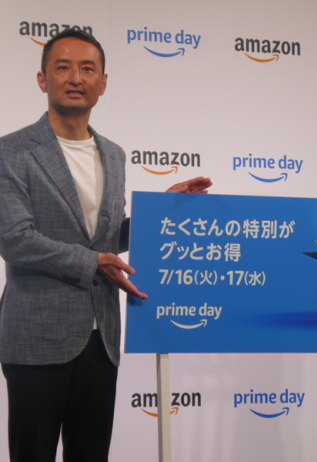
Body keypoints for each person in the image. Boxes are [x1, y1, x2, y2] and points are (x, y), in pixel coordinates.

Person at [0, 29, 212, 461]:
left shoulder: (113, 154)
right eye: (63, 67)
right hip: (36, 337)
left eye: (87, 68)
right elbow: (14, 239)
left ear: (103, 82)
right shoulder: (12, 151)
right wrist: (93, 260)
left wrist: (162, 210)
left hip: (102, 340)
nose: (75, 78)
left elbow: (104, 240)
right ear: (42, 79)